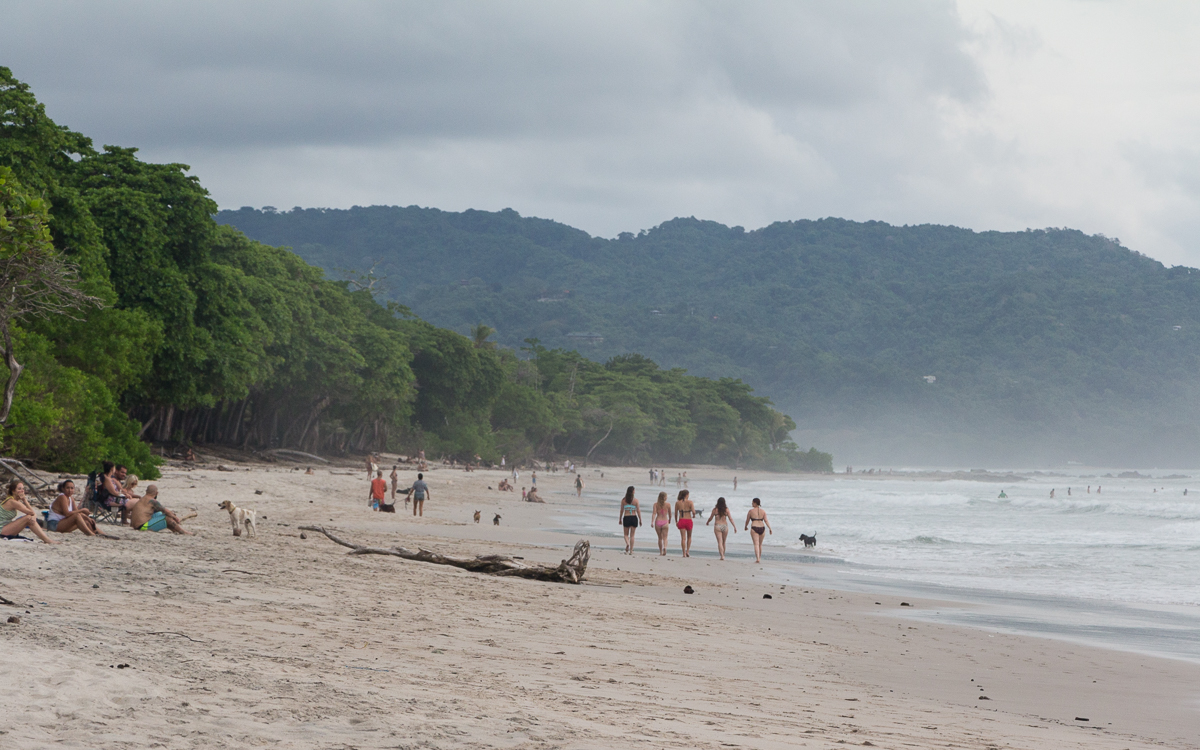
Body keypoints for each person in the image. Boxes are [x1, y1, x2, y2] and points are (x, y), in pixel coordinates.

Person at [744, 497, 772, 563]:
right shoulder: (763, 511)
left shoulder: (751, 511)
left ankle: (758, 558)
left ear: (755, 503)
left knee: (756, 544)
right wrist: (770, 528)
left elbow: (747, 520)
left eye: (752, 502)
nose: (752, 504)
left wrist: (746, 526)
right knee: (760, 544)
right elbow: (766, 520)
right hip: (762, 527)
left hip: (754, 527)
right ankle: (759, 557)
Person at [618, 485, 641, 554]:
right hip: (634, 517)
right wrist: (640, 519)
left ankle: (627, 543)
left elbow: (621, 510)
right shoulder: (636, 501)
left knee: (625, 534)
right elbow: (638, 511)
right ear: (633, 492)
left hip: (626, 517)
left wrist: (620, 518)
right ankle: (631, 550)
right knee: (632, 535)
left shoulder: (624, 500)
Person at [674, 489, 695, 557]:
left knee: (683, 538)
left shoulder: (677, 503)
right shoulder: (690, 502)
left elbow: (675, 513)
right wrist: (694, 515)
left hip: (681, 520)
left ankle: (683, 553)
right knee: (689, 537)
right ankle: (687, 551)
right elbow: (693, 511)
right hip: (688, 520)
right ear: (686, 495)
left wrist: (676, 521)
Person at [651, 492, 671, 556]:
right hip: (665, 521)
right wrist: (669, 519)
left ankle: (660, 552)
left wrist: (652, 521)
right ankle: (665, 547)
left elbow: (654, 513)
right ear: (665, 497)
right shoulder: (668, 504)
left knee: (660, 538)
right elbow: (670, 514)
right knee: (665, 537)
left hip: (658, 521)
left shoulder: (655, 504)